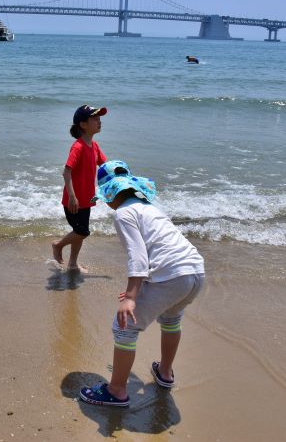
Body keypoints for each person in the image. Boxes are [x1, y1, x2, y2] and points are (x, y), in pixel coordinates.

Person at [79, 161, 205, 407]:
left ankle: (115, 390)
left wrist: (130, 297)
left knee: (124, 328)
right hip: (195, 271)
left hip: (171, 276)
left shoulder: (124, 214)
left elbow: (138, 257)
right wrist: (136, 289)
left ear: (111, 194)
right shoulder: (150, 208)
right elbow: (162, 247)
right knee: (171, 319)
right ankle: (165, 373)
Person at [51, 105, 108, 273]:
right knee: (82, 232)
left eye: (99, 118)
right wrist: (72, 196)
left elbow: (106, 166)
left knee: (79, 231)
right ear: (83, 124)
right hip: (74, 201)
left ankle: (73, 264)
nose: (99, 121)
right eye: (95, 119)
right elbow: (66, 172)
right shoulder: (78, 147)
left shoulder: (94, 146)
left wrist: (120, 177)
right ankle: (58, 245)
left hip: (86, 200)